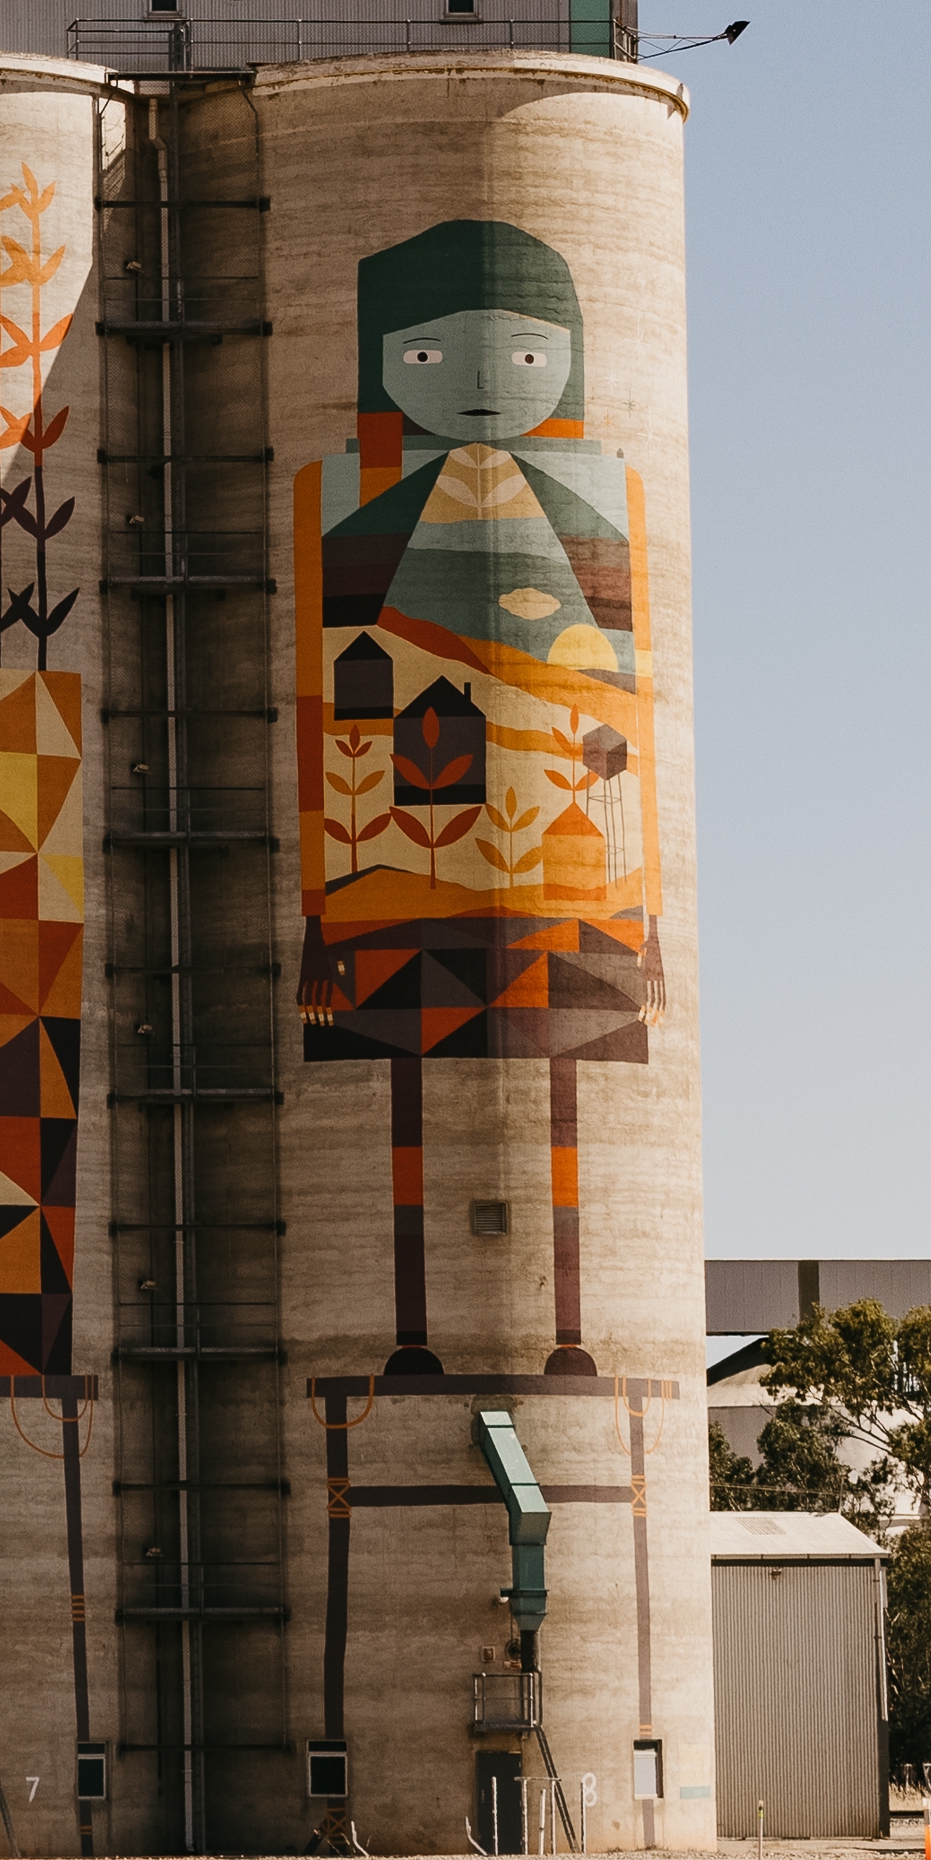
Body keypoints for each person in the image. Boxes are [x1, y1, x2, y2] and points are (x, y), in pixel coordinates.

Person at [300, 216, 660, 1373]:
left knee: (558, 1093)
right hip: (396, 851)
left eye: (518, 357)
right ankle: (409, 1332)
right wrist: (324, 903)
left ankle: (566, 1331)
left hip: (562, 866)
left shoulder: (603, 514)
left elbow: (623, 725)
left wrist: (641, 908)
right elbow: (334, 711)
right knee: (404, 1096)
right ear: (380, 365)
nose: (475, 387)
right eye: (427, 359)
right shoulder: (345, 514)